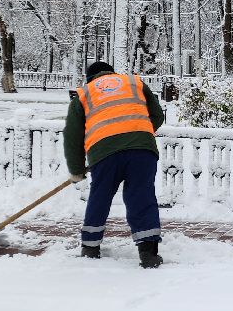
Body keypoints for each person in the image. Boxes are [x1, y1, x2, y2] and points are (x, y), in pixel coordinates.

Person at [64, 61, 167, 268]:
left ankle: (90, 247)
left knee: (100, 196)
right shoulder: (133, 82)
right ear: (111, 72)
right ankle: (148, 252)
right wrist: (139, 132)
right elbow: (157, 115)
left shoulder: (84, 94)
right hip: (142, 150)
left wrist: (76, 170)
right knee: (141, 195)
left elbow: (73, 136)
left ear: (90, 78)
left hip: (104, 153)